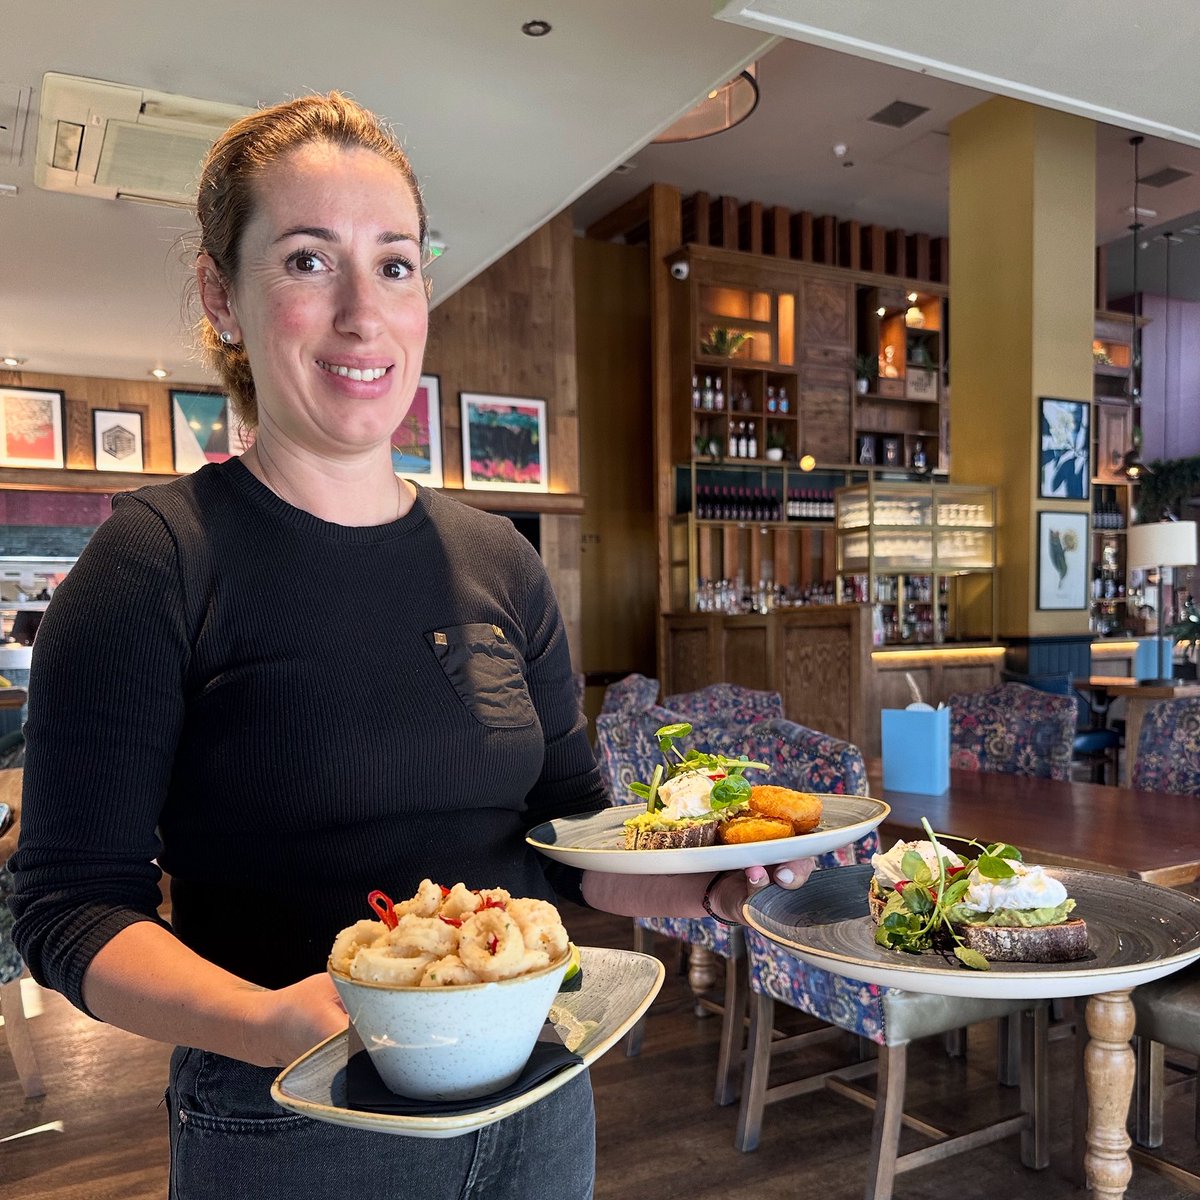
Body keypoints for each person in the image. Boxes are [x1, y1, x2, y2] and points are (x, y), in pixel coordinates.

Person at [8, 93, 812, 1198]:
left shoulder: (501, 560)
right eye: (305, 260)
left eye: (393, 265)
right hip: (294, 1118)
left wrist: (710, 888)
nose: (361, 315)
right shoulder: (154, 563)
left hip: (537, 1095)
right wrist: (264, 1020)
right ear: (221, 297)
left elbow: (566, 839)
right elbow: (68, 907)